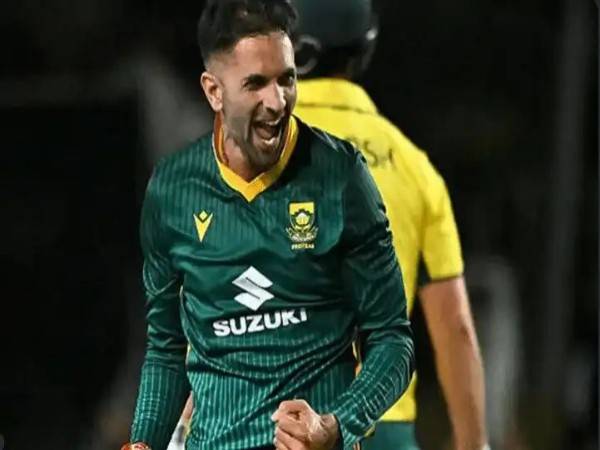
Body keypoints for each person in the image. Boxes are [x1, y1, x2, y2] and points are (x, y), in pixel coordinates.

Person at [122, 1, 415, 449]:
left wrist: (337, 425)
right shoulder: (173, 190)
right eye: (256, 83)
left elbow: (393, 340)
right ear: (214, 91)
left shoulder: (340, 176)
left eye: (286, 79)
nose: (277, 102)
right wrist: (143, 442)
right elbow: (166, 348)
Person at [291, 1, 489, 450]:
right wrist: (474, 442)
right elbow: (455, 325)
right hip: (382, 426)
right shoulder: (414, 167)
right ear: (366, 48)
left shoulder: (246, 153)